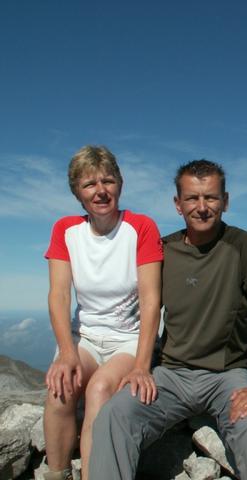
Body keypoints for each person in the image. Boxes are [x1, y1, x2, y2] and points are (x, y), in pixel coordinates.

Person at [90, 160, 247, 480]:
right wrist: (139, 367)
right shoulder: (164, 249)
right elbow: (145, 308)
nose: (202, 207)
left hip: (229, 375)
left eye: (211, 198)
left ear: (225, 201)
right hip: (170, 375)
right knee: (113, 416)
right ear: (178, 204)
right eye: (192, 198)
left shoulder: (242, 246)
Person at [43, 146, 163, 480]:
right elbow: (58, 294)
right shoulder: (66, 231)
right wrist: (66, 352)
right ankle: (57, 474)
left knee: (98, 391)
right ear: (77, 194)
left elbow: (152, 300)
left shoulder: (141, 227)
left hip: (129, 339)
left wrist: (142, 366)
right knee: (60, 388)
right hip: (86, 336)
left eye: (108, 181)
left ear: (120, 185)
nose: (100, 191)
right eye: (89, 184)